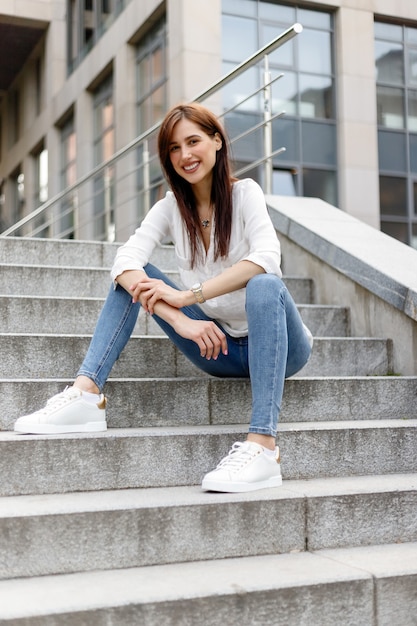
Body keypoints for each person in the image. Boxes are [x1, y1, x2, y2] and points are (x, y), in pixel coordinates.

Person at [14, 102, 313, 493]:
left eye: (193, 141)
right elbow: (124, 261)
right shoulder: (171, 208)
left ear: (217, 141)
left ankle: (263, 446)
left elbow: (266, 259)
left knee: (264, 284)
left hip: (281, 349)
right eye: (174, 148)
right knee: (132, 278)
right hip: (217, 347)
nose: (185, 155)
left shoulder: (246, 194)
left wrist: (188, 295)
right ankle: (87, 394)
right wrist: (179, 318)